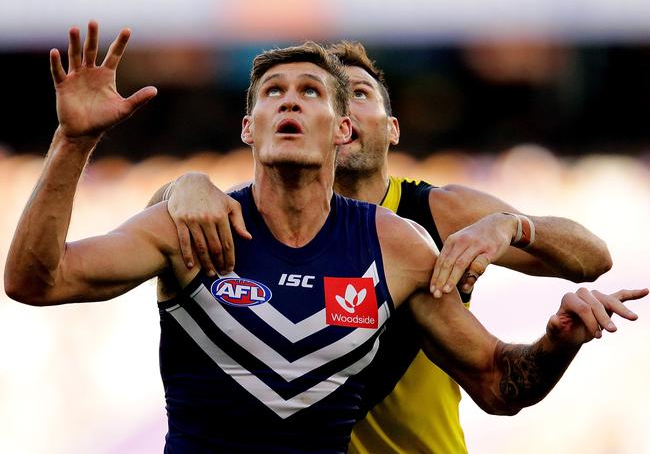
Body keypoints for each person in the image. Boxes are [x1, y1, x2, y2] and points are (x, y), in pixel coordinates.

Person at [4, 22, 645, 454]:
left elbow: (500, 384)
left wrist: (559, 340)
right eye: (273, 93)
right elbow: (35, 280)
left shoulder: (402, 242)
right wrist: (74, 141)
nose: (290, 102)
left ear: (345, 130)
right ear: (248, 127)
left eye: (310, 92)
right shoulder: (190, 224)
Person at [155, 42, 614, 453]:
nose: (344, 110)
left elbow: (594, 258)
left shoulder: (437, 214)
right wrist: (180, 187)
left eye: (357, 92)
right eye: (327, 96)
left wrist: (513, 227)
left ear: (392, 128)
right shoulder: (255, 218)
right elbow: (155, 236)